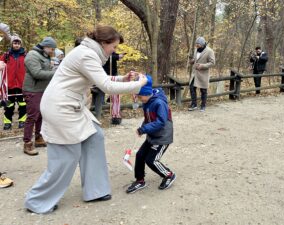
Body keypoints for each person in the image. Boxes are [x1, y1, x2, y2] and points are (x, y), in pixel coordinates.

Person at [24, 25, 147, 214]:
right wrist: (139, 84)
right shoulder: (86, 54)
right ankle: (37, 200)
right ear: (104, 43)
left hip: (72, 106)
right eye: (113, 47)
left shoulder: (89, 52)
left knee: (94, 136)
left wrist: (123, 78)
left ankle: (95, 190)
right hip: (61, 108)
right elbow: (106, 87)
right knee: (66, 155)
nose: (115, 51)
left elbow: (100, 79)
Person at [126, 75, 176, 194]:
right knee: (140, 155)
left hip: (162, 137)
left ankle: (169, 175)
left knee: (152, 160)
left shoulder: (159, 103)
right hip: (153, 135)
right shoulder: (147, 102)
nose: (139, 98)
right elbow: (149, 118)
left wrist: (144, 129)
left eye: (140, 96)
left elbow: (160, 122)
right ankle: (140, 180)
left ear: (148, 93)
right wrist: (142, 128)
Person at [22, 37, 57, 156]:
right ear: (45, 46)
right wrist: (56, 73)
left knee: (41, 115)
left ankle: (38, 138)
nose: (53, 51)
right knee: (32, 117)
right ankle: (27, 143)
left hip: (42, 90)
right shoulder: (32, 55)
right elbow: (37, 73)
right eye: (52, 49)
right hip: (32, 90)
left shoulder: (44, 56)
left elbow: (45, 70)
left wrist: (53, 68)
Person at [0, 35, 27, 130]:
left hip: (22, 84)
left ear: (21, 44)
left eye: (18, 43)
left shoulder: (25, 55)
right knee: (9, 105)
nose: (17, 45)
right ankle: (7, 123)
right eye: (15, 43)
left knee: (23, 104)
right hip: (9, 85)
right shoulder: (6, 55)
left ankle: (22, 121)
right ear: (12, 44)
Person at [188, 36, 215, 112]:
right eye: (196, 44)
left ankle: (203, 105)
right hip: (195, 74)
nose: (196, 45)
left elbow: (212, 63)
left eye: (198, 44)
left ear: (203, 44)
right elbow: (195, 59)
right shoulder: (196, 49)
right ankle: (194, 104)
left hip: (203, 74)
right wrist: (192, 61)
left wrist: (202, 66)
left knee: (203, 90)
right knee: (192, 88)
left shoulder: (209, 51)